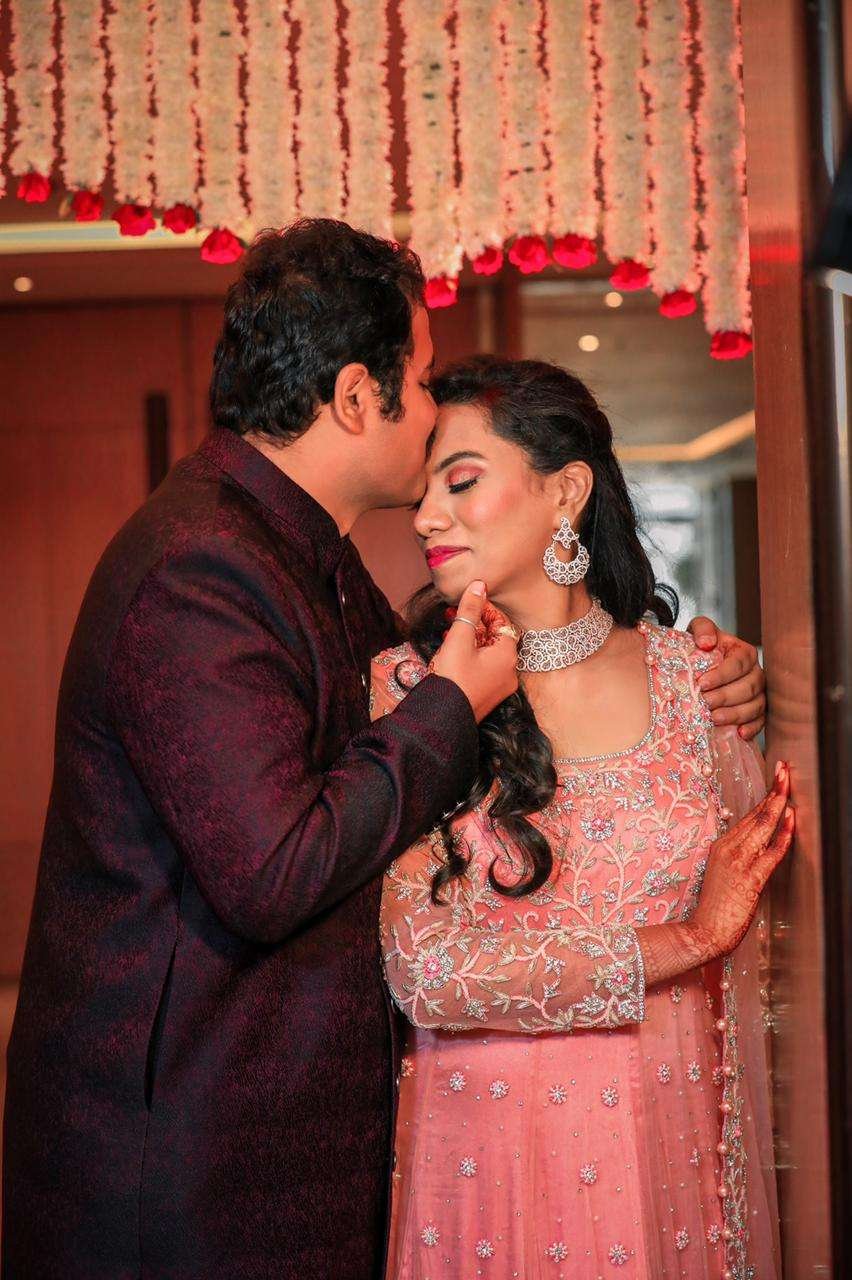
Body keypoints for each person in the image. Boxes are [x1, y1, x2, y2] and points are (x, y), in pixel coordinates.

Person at [2, 221, 765, 1280]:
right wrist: (453, 701)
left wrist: (726, 674)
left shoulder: (306, 558)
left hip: (326, 1144)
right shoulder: (200, 568)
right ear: (360, 397)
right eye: (417, 377)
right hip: (193, 1157)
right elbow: (276, 869)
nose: (428, 420)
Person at [374, 356, 792, 1279]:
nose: (426, 516)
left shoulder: (697, 685)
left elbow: (769, 975)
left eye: (460, 481)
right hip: (482, 1167)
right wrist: (687, 938)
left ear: (565, 490)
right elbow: (425, 973)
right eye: (423, 491)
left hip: (671, 1155)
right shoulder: (411, 692)